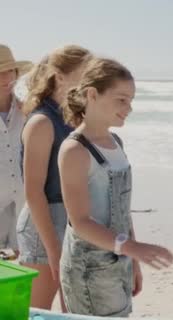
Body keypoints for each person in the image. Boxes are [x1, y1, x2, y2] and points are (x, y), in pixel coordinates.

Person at [58, 58, 173, 316]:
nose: (129, 108)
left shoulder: (116, 142)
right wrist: (134, 248)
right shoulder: (74, 150)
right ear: (92, 95)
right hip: (88, 270)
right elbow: (80, 222)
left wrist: (132, 262)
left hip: (117, 263)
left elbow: (123, 209)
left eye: (131, 100)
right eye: (122, 99)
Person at [17, 45, 91, 310]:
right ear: (60, 77)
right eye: (86, 74)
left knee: (70, 310)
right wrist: (53, 249)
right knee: (36, 312)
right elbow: (33, 192)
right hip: (44, 224)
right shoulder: (42, 122)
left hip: (72, 220)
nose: (90, 81)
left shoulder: (73, 118)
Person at [0, 44, 31, 258]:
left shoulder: (29, 112)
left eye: (9, 71)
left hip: (23, 203)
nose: (4, 78)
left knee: (21, 272)